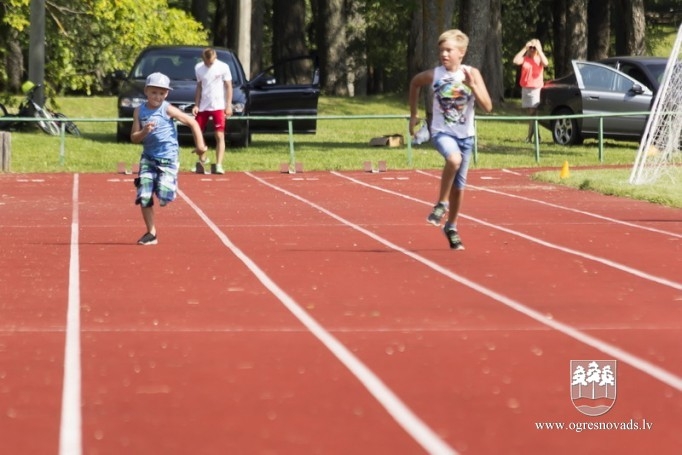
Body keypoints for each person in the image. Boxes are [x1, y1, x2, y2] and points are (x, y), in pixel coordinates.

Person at [409, 29, 493, 250]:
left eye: (449, 50)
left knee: (459, 187)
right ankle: (441, 204)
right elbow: (415, 83)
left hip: (466, 137)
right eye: (441, 51)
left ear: (461, 53)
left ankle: (452, 226)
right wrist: (414, 115)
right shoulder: (435, 75)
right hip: (441, 133)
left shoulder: (472, 73)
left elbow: (488, 106)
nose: (444, 55)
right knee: (453, 160)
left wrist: (473, 86)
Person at [132, 72, 208, 246]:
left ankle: (168, 187)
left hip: (168, 158)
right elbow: (134, 137)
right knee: (144, 194)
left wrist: (200, 146)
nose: (157, 97)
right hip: (148, 158)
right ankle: (151, 233)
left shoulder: (167, 109)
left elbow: (193, 123)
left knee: (165, 195)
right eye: (154, 92)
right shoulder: (139, 111)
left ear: (166, 94)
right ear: (146, 91)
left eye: (161, 93)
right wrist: (144, 132)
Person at [192, 48, 233, 174]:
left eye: (211, 62)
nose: (208, 64)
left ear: (215, 58)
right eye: (206, 62)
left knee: (219, 134)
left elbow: (228, 86)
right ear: (203, 59)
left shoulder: (223, 67)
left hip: (218, 105)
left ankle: (219, 164)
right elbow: (199, 86)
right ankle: (203, 159)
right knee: (197, 131)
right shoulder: (198, 67)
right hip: (204, 105)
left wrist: (228, 105)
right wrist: (196, 104)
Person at [513, 38, 549, 143]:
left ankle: (530, 137)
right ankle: (536, 137)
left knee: (533, 113)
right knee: (531, 114)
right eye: (531, 47)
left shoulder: (539, 58)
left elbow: (546, 63)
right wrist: (525, 48)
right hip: (526, 88)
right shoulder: (525, 58)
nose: (532, 49)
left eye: (534, 48)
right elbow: (515, 61)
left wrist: (540, 50)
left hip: (536, 89)